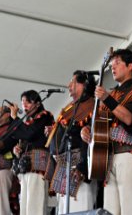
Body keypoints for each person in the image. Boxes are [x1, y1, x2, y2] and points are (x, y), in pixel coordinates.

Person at [80, 49, 132, 215]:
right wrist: (86, 131)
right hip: (108, 157)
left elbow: (130, 120)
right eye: (111, 64)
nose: (113, 67)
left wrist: (107, 98)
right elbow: (99, 122)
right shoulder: (113, 93)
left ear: (130, 66)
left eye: (117, 63)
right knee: (110, 210)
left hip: (131, 154)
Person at [45, 70, 98, 213]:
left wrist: (82, 167)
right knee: (63, 210)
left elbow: (91, 139)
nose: (69, 85)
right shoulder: (70, 107)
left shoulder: (92, 106)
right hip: (63, 168)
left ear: (84, 85)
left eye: (73, 82)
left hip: (79, 168)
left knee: (78, 208)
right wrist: (55, 132)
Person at [9, 90, 54, 215]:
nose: (24, 105)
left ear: (38, 103)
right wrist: (17, 149)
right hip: (26, 167)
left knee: (35, 206)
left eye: (28, 101)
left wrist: (14, 118)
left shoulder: (45, 116)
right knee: (25, 206)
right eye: (23, 102)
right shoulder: (28, 121)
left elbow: (30, 134)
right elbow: (22, 136)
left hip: (38, 165)